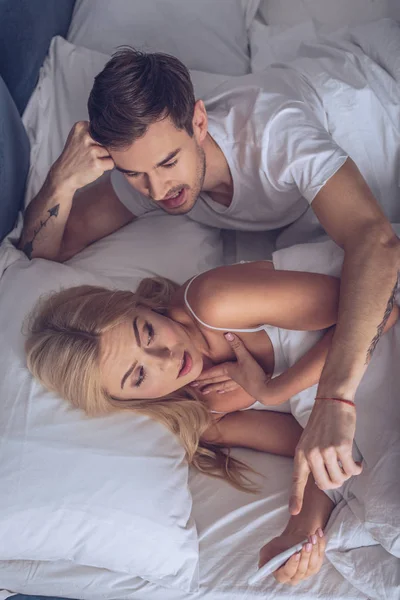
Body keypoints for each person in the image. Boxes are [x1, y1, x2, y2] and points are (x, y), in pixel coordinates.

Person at [19, 19, 400, 512]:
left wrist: (318, 395)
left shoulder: (273, 134)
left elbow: (378, 247)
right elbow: (42, 254)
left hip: (378, 110)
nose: (157, 191)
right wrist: (60, 183)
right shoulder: (153, 168)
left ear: (199, 122)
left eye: (167, 164)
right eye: (136, 175)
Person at [25, 260, 399, 586]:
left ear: (145, 307)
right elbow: (316, 455)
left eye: (148, 333)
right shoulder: (205, 418)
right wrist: (301, 533)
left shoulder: (211, 302)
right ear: (129, 400)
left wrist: (273, 390)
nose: (166, 358)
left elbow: (381, 307)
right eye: (138, 376)